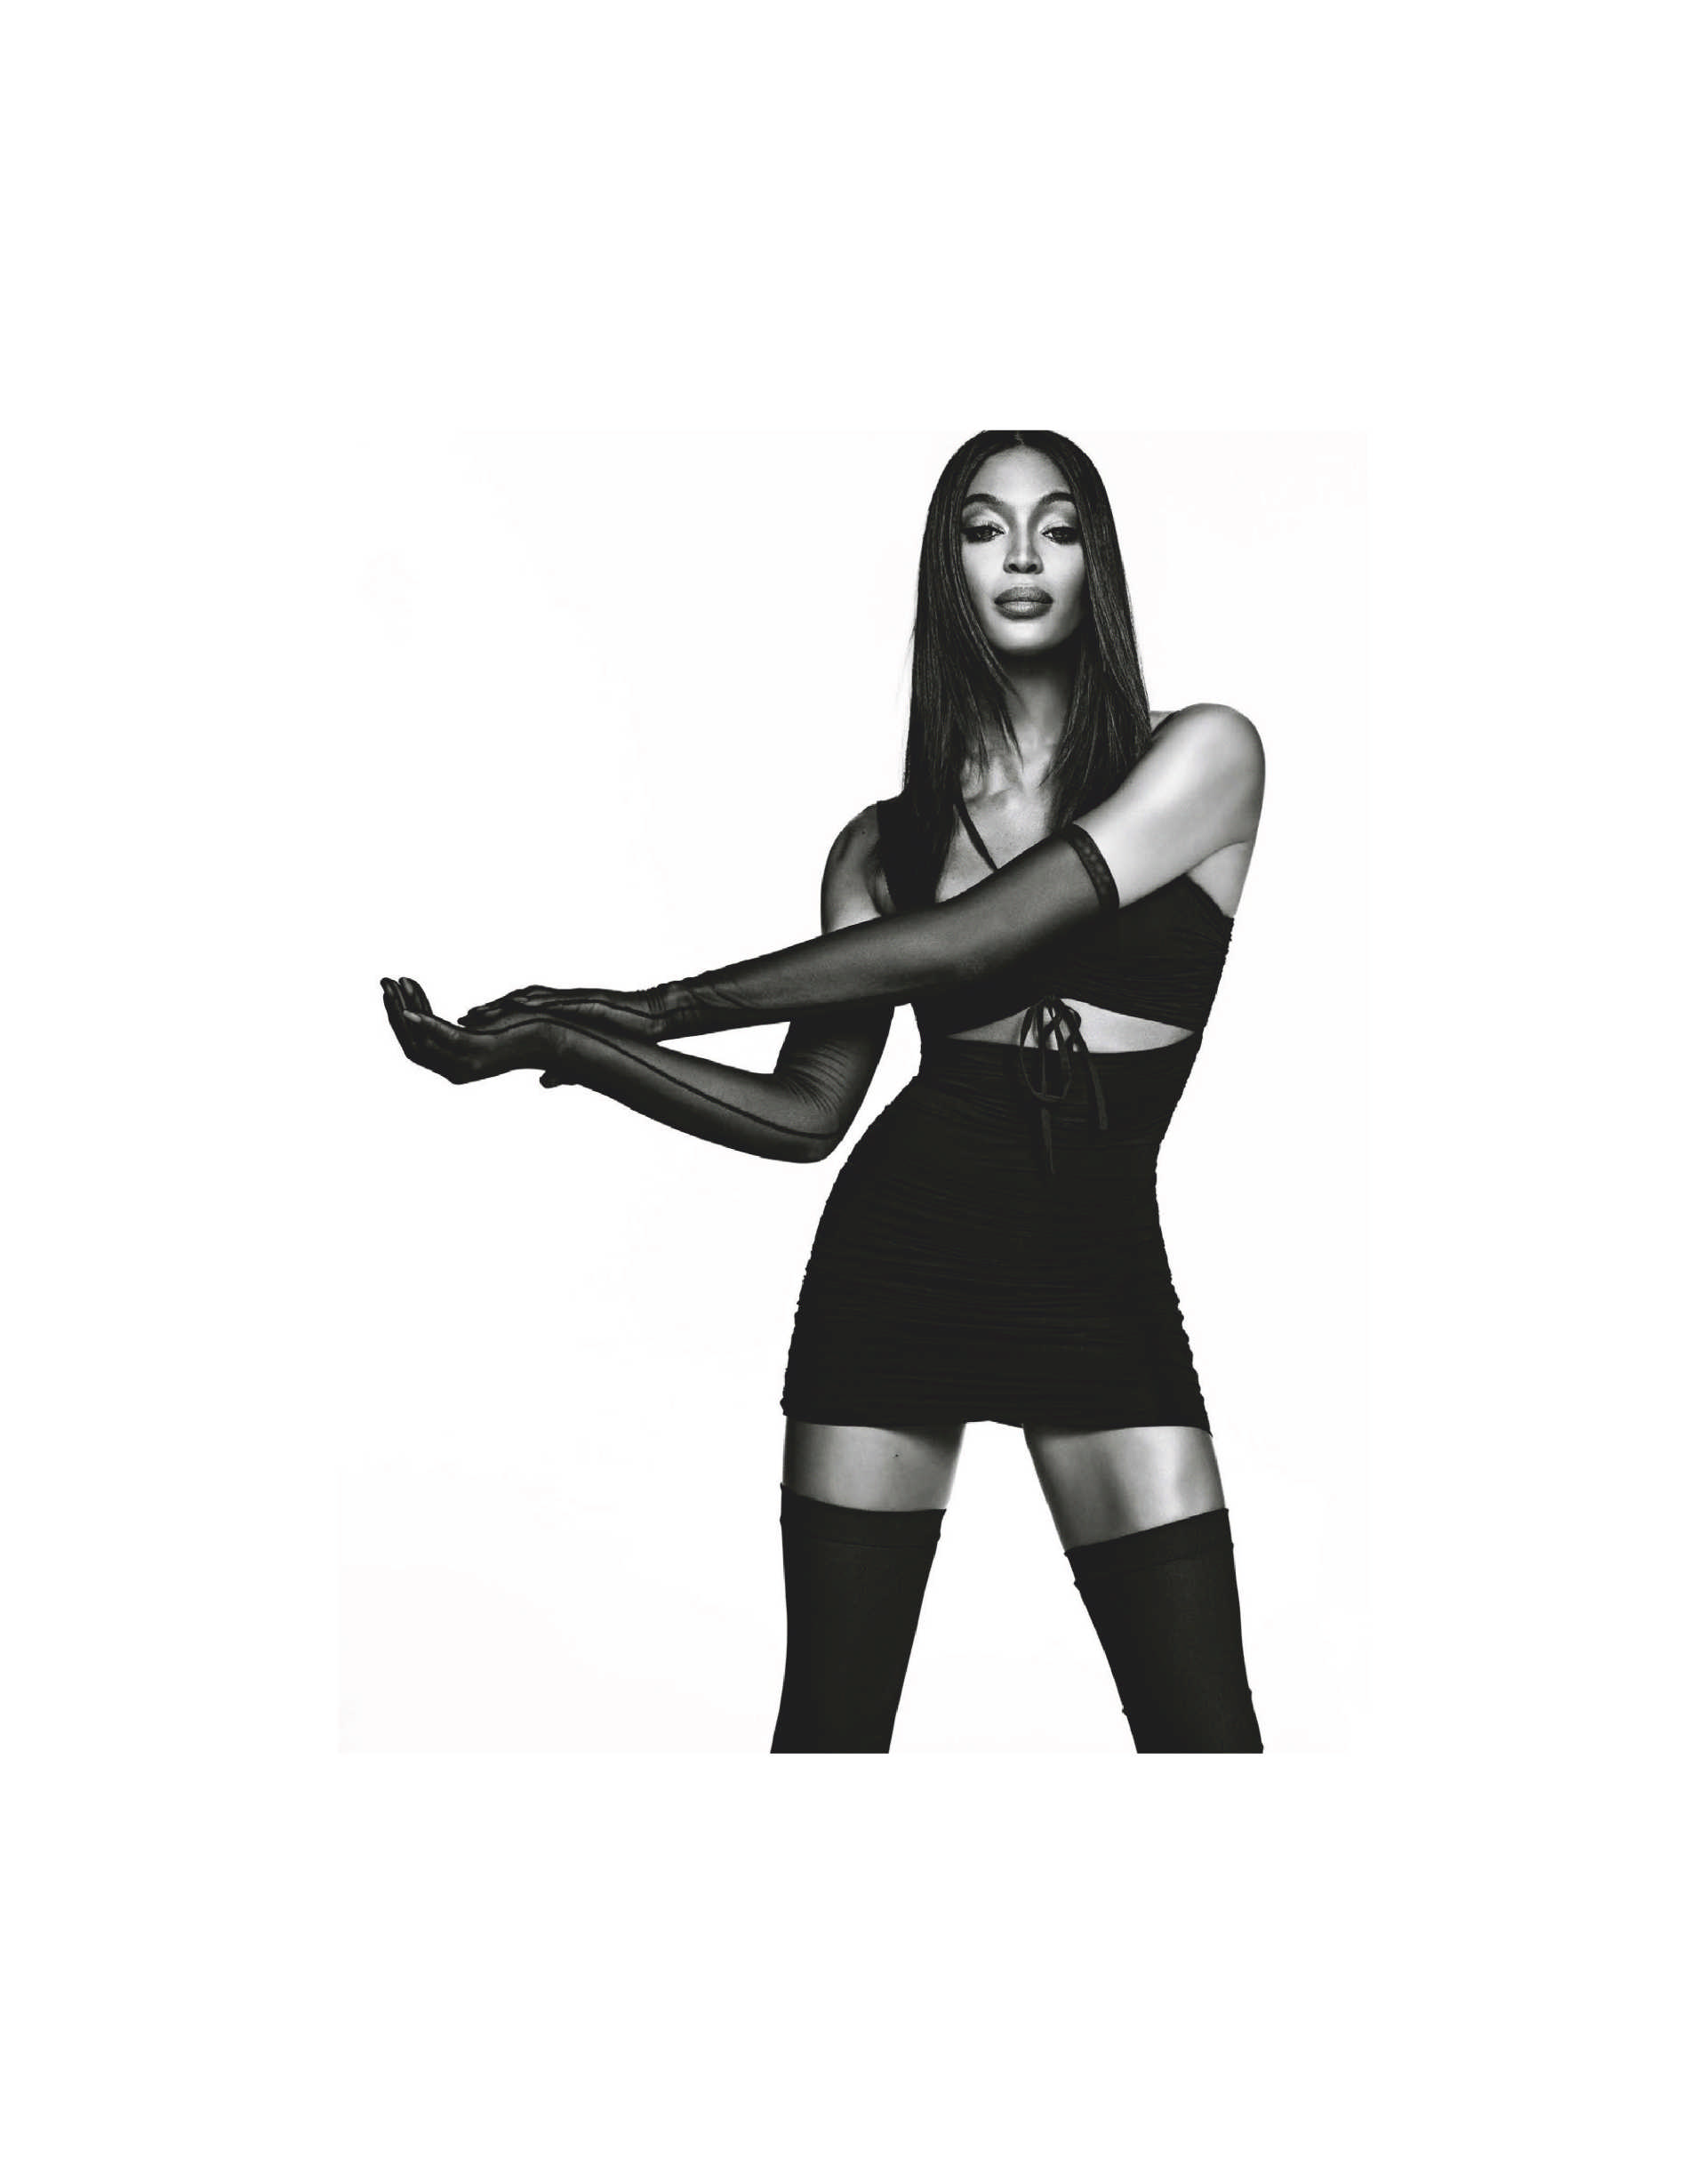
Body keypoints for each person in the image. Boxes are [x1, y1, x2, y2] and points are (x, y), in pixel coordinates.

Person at [382, 429, 1266, 1754]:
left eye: (1059, 525)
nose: (1023, 556)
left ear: (1098, 561)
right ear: (946, 568)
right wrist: (574, 1044)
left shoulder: (1201, 757)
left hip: (1098, 1277)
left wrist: (655, 1003)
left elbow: (969, 945)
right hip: (895, 1270)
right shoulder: (881, 844)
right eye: (984, 528)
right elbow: (805, 1114)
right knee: (832, 1737)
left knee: (1204, 1738)